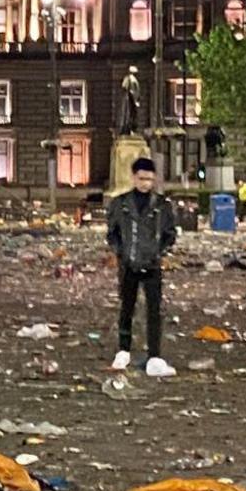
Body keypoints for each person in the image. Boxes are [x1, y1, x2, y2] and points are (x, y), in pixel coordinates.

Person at [106, 156, 178, 378]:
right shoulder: (120, 204)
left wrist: (160, 252)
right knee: (126, 308)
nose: (146, 183)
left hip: (152, 264)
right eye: (142, 178)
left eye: (149, 179)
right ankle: (123, 350)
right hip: (128, 264)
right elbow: (112, 233)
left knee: (154, 311)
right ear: (133, 177)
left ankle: (154, 355)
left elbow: (170, 233)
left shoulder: (162, 205)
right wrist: (121, 252)